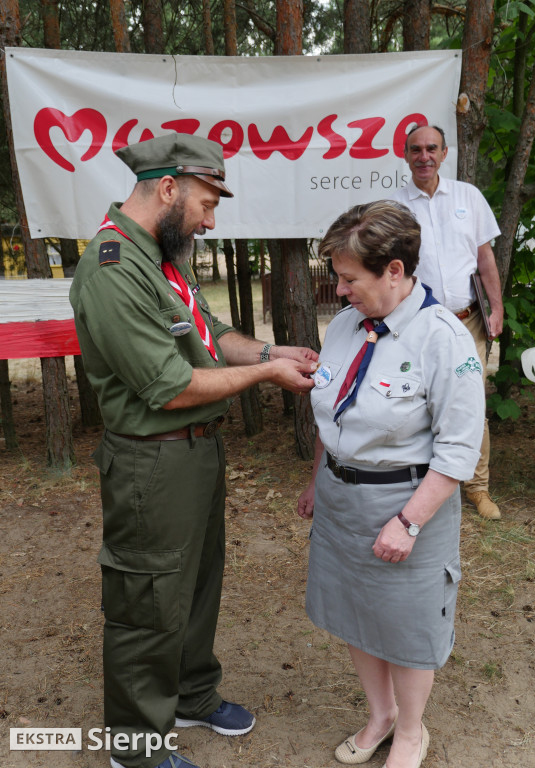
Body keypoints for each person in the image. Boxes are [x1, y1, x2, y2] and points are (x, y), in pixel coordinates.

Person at [70, 132, 318, 768]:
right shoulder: (113, 268)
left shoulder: (162, 257)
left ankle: (190, 693)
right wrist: (266, 378)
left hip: (196, 454)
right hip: (152, 460)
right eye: (208, 203)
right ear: (169, 188)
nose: (211, 220)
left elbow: (211, 339)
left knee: (197, 583)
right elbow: (170, 386)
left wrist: (270, 352)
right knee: (148, 596)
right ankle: (137, 744)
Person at [297, 200, 484, 768]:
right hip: (340, 499)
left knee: (405, 626)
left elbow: (457, 452)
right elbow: (333, 414)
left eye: (350, 277)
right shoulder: (348, 326)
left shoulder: (442, 338)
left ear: (395, 271)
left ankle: (410, 732)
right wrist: (315, 481)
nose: (340, 289)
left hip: (406, 506)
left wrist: (408, 522)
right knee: (356, 611)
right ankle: (379, 716)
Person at [394, 124, 503, 520]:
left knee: (471, 401)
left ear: (444, 153)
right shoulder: (394, 208)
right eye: (416, 149)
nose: (424, 156)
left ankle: (477, 488)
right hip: (417, 324)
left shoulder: (468, 197)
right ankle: (430, 485)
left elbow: (485, 259)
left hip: (468, 321)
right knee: (418, 402)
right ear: (406, 155)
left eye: (432, 148)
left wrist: (497, 308)